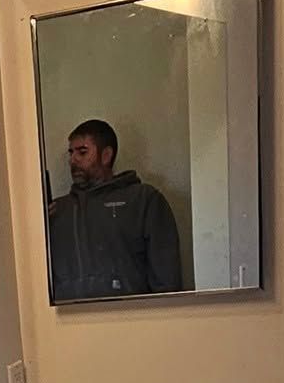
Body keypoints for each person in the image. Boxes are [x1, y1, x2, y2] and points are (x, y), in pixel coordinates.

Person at [46, 119, 183, 300]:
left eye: (82, 152)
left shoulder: (143, 200)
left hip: (133, 315)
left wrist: (165, 314)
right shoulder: (56, 211)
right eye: (71, 153)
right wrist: (39, 230)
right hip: (66, 316)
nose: (73, 160)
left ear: (106, 155)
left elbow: (167, 280)